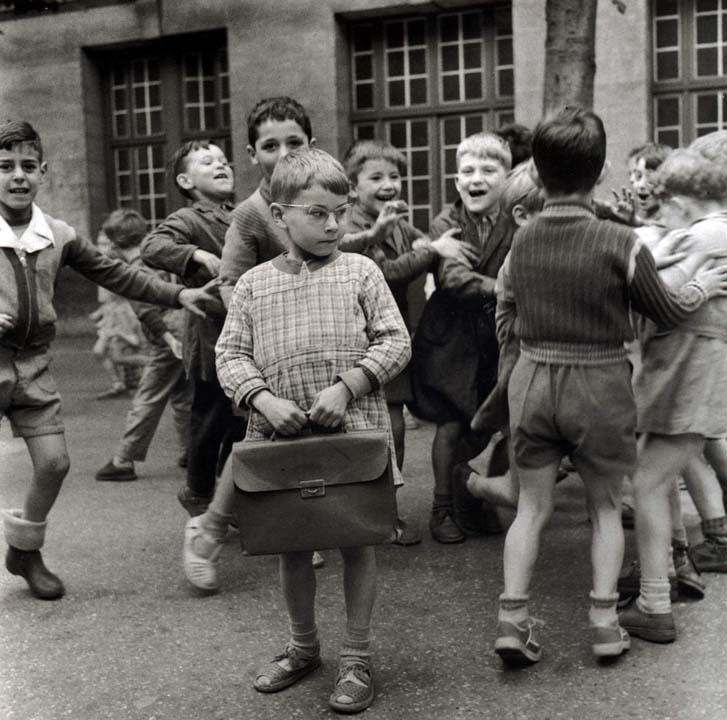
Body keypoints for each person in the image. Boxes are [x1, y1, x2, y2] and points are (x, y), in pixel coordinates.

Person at [492, 107, 727, 664]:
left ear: (538, 173)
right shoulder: (619, 241)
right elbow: (665, 308)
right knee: (603, 509)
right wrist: (698, 285)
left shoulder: (520, 242)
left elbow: (509, 309)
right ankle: (603, 624)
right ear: (599, 175)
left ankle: (512, 619)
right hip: (598, 384)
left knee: (531, 509)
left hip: (532, 381)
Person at [213, 148, 410, 713]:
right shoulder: (252, 286)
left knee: (356, 542)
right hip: (280, 442)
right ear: (279, 216)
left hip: (355, 436)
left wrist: (348, 386)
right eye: (317, 213)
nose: (333, 225)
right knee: (292, 546)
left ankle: (356, 656)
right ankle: (303, 648)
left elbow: (395, 341)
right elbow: (230, 355)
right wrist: (264, 400)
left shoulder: (361, 271)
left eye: (340, 212)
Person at [0, 120, 216, 599]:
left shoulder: (57, 233)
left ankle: (25, 550)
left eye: (28, 166)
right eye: (5, 166)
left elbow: (119, 274)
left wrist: (179, 295)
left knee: (54, 464)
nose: (18, 176)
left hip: (33, 367)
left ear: (43, 172)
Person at [619, 148, 727, 643]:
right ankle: (661, 582)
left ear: (683, 201)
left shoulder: (695, 236)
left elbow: (655, 301)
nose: (660, 211)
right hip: (699, 378)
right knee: (653, 479)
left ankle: (655, 602)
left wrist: (646, 256)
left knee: (646, 483)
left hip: (684, 380)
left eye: (665, 203)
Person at [342, 139, 462, 545]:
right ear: (353, 188)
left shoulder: (396, 221)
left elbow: (419, 241)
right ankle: (385, 513)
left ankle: (410, 507)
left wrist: (427, 245)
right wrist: (433, 250)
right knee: (389, 427)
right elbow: (388, 272)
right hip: (367, 341)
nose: (389, 184)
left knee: (404, 424)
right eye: (375, 178)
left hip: (401, 337)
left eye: (394, 177)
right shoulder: (352, 226)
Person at [409, 132, 511, 543]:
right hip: (449, 339)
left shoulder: (514, 219)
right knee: (451, 424)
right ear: (456, 180)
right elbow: (453, 279)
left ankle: (470, 495)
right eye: (467, 171)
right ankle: (442, 507)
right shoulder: (447, 222)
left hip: (492, 339)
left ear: (507, 176)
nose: (476, 178)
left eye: (488, 170)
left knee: (486, 424)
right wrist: (504, 288)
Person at [141, 139, 246, 516]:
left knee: (241, 419)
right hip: (211, 338)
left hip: (245, 335)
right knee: (210, 420)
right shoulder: (189, 218)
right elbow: (152, 246)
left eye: (223, 160)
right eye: (207, 162)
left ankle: (226, 494)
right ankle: (199, 493)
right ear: (186, 181)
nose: (221, 166)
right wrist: (195, 254)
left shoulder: (241, 213)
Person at [94, 209, 192, 482]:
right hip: (187, 324)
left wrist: (168, 340)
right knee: (183, 394)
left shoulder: (134, 268)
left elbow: (146, 311)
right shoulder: (158, 255)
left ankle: (124, 460)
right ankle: (191, 449)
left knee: (149, 395)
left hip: (167, 334)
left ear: (115, 243)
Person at [90, 224, 148, 399]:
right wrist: (101, 312)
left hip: (124, 315)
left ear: (115, 244)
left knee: (120, 353)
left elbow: (126, 293)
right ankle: (120, 383)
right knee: (102, 352)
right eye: (99, 243)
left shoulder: (118, 264)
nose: (101, 247)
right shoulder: (100, 263)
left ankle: (152, 367)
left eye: (105, 243)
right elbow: (108, 298)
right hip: (111, 314)